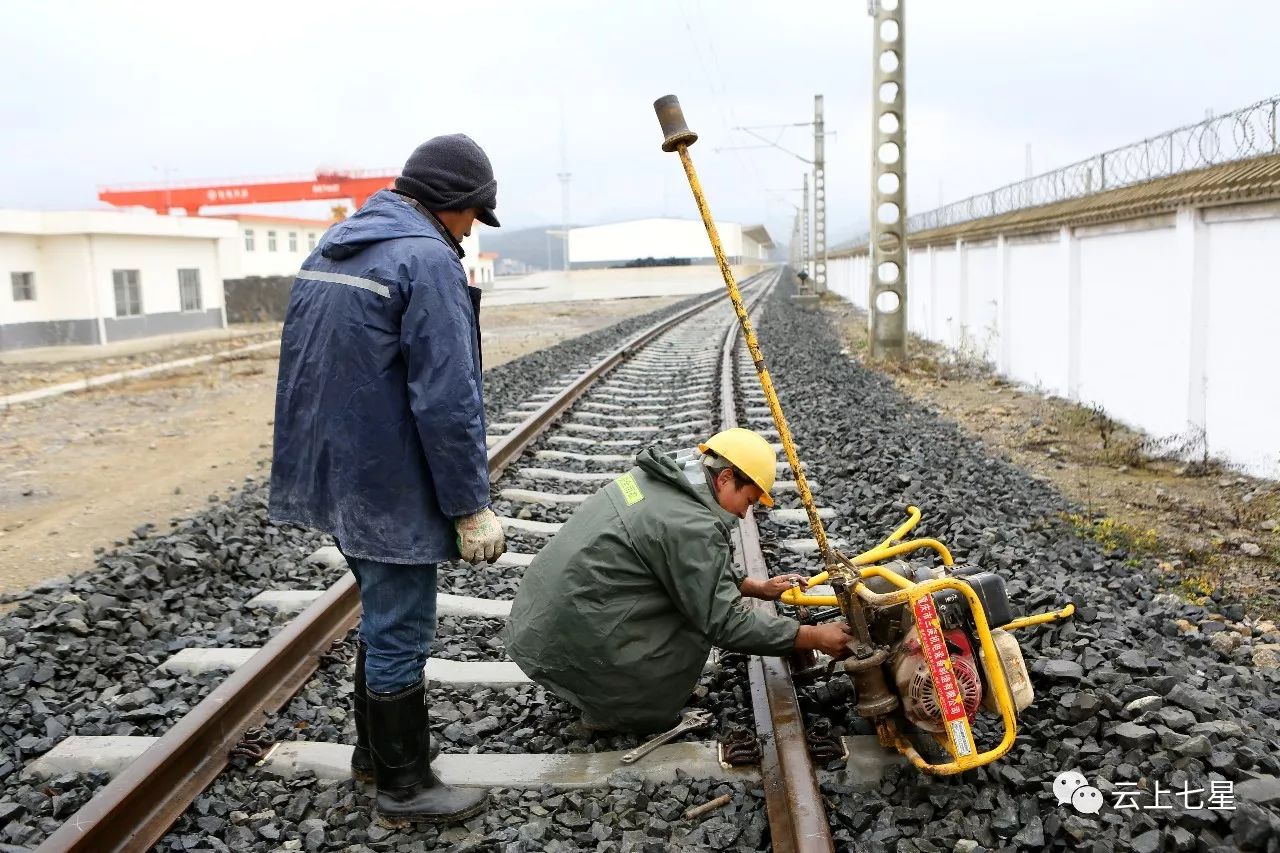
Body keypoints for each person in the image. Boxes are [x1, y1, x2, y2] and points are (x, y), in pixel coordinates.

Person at [269, 134, 507, 827]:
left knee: (380, 614)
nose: (470, 233)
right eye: (473, 217)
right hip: (386, 477)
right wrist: (470, 505)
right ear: (455, 204)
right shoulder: (427, 259)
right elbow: (447, 399)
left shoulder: (338, 241)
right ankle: (405, 787)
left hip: (331, 471)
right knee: (402, 622)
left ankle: (373, 756)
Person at [506, 427, 852, 733]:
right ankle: (620, 709)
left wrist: (755, 587)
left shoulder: (657, 480)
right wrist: (812, 637)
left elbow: (674, 560)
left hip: (542, 626)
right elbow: (724, 623)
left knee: (687, 598)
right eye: (747, 501)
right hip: (574, 642)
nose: (745, 513)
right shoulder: (693, 526)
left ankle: (590, 683)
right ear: (726, 477)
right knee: (693, 621)